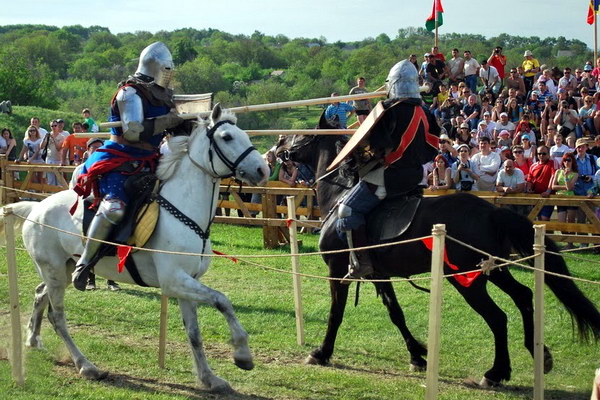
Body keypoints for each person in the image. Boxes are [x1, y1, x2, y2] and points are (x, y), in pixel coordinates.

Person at [71, 41, 183, 291]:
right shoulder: (130, 92)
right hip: (121, 158)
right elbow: (133, 131)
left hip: (151, 159)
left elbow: (175, 124)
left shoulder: (164, 94)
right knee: (114, 208)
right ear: (154, 66)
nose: (169, 73)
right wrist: (168, 120)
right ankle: (85, 262)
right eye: (166, 68)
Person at [336, 59, 440, 280]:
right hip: (415, 176)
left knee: (347, 209)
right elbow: (433, 147)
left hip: (390, 176)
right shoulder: (427, 112)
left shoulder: (390, 111)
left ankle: (360, 263)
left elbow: (375, 145)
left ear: (393, 83)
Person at [550, 152, 579, 249]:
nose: (567, 162)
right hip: (560, 199)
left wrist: (566, 177)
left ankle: (570, 244)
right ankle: (567, 242)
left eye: (569, 160)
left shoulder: (575, 174)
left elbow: (570, 188)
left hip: (571, 199)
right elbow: (553, 186)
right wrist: (565, 187)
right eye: (565, 160)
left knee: (570, 222)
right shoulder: (558, 172)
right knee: (562, 222)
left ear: (572, 161)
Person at [526, 145, 555, 220]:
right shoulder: (533, 166)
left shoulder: (552, 163)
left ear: (548, 154)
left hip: (548, 196)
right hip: (535, 196)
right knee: (536, 218)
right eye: (539, 154)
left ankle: (548, 231)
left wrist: (548, 191)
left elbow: (553, 177)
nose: (541, 155)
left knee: (544, 218)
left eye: (544, 153)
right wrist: (529, 188)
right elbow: (530, 179)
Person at [40, 120, 69, 185]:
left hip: (58, 160)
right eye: (52, 126)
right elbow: (41, 147)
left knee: (59, 181)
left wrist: (53, 138)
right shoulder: (48, 135)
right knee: (51, 181)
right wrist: (45, 138)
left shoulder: (62, 137)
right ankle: (51, 193)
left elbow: (58, 148)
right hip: (49, 159)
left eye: (55, 125)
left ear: (57, 126)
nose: (53, 127)